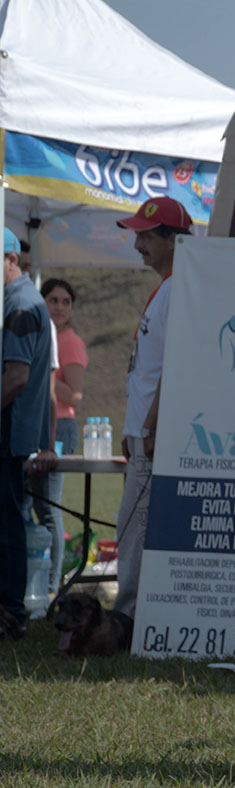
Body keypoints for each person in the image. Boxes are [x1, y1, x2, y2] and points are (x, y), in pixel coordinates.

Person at [112, 197, 192, 619]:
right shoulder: (169, 286)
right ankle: (136, 613)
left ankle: (129, 618)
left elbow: (175, 367)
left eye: (145, 235)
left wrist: (151, 426)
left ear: (174, 239)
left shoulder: (180, 287)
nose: (137, 244)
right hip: (144, 433)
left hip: (154, 434)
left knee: (136, 528)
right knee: (135, 526)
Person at [2, 226, 56, 640]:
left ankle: (9, 612)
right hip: (16, 430)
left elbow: (16, 378)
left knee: (7, 524)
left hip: (9, 431)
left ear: (10, 259)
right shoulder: (22, 300)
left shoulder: (19, 305)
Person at [30, 278, 88, 596]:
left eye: (66, 301)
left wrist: (42, 378)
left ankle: (52, 584)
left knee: (49, 508)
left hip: (61, 426)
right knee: (36, 505)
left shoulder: (68, 341)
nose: (60, 307)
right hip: (39, 423)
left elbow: (75, 394)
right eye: (54, 300)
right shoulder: (45, 335)